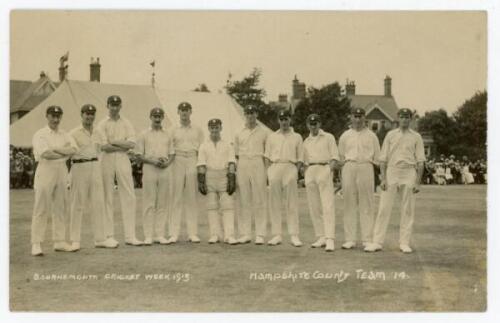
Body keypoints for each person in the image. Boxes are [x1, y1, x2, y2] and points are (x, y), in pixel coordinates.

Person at [365, 108, 426, 253]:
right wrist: (383, 178)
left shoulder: (416, 137)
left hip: (409, 171)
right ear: (398, 118)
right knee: (384, 208)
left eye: (407, 117)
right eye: (402, 117)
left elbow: (421, 161)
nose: (404, 120)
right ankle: (377, 242)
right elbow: (383, 159)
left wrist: (417, 182)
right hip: (392, 171)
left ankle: (404, 242)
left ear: (410, 119)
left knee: (407, 210)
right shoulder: (390, 135)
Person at [69, 104, 116, 251]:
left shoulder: (98, 132)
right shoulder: (73, 133)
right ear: (81, 115)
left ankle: (100, 239)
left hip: (95, 166)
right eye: (87, 114)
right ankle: (75, 240)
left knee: (98, 203)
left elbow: (104, 147)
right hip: (79, 166)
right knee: (77, 204)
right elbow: (68, 154)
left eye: (92, 114)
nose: (89, 117)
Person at [31, 106, 77, 256]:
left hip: (61, 171)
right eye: (53, 116)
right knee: (41, 207)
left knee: (61, 206)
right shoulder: (40, 134)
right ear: (47, 116)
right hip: (45, 170)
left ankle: (59, 241)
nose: (56, 119)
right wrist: (63, 153)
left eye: (58, 116)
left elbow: (74, 150)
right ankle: (36, 244)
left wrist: (56, 149)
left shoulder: (65, 134)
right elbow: (46, 154)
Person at [97, 95, 143, 246]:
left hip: (123, 158)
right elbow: (104, 146)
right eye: (112, 105)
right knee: (107, 195)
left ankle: (130, 236)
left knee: (129, 194)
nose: (115, 108)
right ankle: (108, 235)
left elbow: (131, 144)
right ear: (108, 105)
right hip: (106, 158)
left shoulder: (126, 122)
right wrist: (122, 144)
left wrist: (115, 142)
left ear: (121, 106)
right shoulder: (102, 124)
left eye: (117, 105)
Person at [338, 107, 380, 250]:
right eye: (355, 116)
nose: (358, 119)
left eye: (360, 116)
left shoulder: (372, 136)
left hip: (366, 167)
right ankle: (350, 239)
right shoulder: (345, 136)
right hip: (349, 167)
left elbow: (377, 158)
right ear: (351, 118)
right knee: (349, 203)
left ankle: (367, 239)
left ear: (364, 118)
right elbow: (341, 157)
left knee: (366, 203)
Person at [135, 107, 174, 245]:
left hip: (164, 169)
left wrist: (167, 163)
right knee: (149, 202)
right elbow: (138, 155)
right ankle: (148, 236)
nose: (157, 119)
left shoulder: (168, 134)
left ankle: (159, 234)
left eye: (159, 116)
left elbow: (172, 153)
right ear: (150, 117)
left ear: (162, 118)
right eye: (155, 116)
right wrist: (153, 161)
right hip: (150, 168)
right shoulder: (143, 134)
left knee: (162, 203)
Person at [264, 110, 304, 247]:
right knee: (274, 203)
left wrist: (295, 172)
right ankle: (277, 234)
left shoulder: (297, 137)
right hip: (275, 167)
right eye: (281, 119)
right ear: (278, 121)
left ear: (290, 120)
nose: (284, 122)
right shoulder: (272, 136)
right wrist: (269, 172)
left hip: (290, 167)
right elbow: (267, 157)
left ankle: (294, 235)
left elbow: (300, 158)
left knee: (291, 203)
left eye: (286, 119)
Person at [167, 102, 204, 244]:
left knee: (191, 197)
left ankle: (192, 233)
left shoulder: (198, 130)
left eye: (186, 110)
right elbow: (169, 148)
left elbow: (201, 149)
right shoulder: (172, 129)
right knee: (175, 197)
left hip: (192, 159)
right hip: (177, 159)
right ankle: (173, 233)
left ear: (191, 111)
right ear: (178, 112)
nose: (184, 113)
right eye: (181, 110)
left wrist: (201, 168)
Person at [197, 119, 238, 244]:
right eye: (212, 127)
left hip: (223, 175)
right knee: (212, 206)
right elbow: (201, 164)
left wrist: (231, 178)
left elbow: (231, 162)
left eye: (217, 127)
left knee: (227, 205)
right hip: (210, 175)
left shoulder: (228, 145)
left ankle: (229, 235)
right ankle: (215, 234)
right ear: (209, 129)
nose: (214, 130)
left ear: (221, 128)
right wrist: (201, 180)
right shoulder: (204, 145)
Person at [302, 114, 339, 252]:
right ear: (307, 125)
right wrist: (306, 173)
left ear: (320, 123)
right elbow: (304, 161)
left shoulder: (328, 137)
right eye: (311, 123)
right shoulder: (306, 141)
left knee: (327, 205)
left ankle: (330, 238)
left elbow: (335, 157)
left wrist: (329, 170)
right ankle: (321, 236)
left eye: (316, 123)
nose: (313, 126)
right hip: (311, 170)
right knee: (314, 206)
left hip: (324, 168)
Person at [234, 105, 269, 245]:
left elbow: (267, 154)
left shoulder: (264, 132)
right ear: (244, 114)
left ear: (256, 114)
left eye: (252, 113)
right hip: (243, 163)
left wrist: (266, 172)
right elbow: (236, 154)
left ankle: (260, 234)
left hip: (257, 162)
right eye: (247, 113)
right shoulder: (238, 132)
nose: (250, 116)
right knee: (243, 199)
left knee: (259, 199)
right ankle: (245, 233)